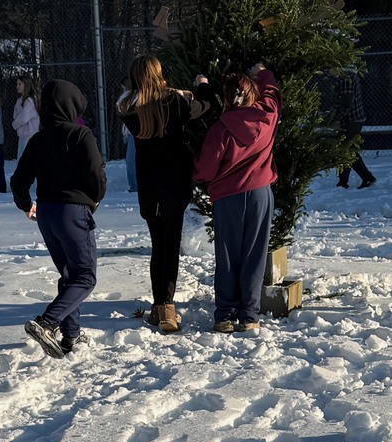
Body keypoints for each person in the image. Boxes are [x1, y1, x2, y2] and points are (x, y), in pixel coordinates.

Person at [119, 54, 214, 332]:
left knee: (158, 244)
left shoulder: (128, 108)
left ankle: (159, 304)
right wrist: (202, 85)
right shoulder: (175, 102)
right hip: (174, 183)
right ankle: (168, 309)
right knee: (170, 245)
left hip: (149, 186)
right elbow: (206, 106)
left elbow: (130, 96)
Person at [10, 80, 105, 359]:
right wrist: (94, 199)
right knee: (85, 277)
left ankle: (71, 334)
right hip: (72, 212)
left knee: (69, 275)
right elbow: (96, 174)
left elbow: (18, 180)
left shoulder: (38, 140)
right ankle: (47, 323)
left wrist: (26, 204)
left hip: (47, 213)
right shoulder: (81, 135)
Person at [193, 63, 281, 333]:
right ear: (253, 94)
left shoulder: (220, 129)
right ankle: (250, 315)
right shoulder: (267, 115)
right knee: (254, 254)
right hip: (259, 194)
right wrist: (262, 73)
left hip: (228, 197)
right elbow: (272, 93)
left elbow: (204, 170)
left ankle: (224, 315)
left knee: (228, 255)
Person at [333, 69, 376, 189]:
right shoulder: (348, 75)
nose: (327, 73)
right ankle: (365, 178)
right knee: (348, 149)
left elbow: (347, 102)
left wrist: (336, 117)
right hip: (353, 118)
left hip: (351, 118)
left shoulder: (346, 77)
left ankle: (345, 181)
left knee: (345, 149)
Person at [11, 75, 40, 160]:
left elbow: (23, 118)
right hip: (22, 137)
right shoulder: (19, 101)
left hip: (30, 137)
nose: (17, 86)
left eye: (20, 84)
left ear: (26, 85)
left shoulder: (30, 101)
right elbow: (15, 116)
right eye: (17, 84)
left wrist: (14, 124)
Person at [117, 77, 137, 192]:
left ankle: (135, 186)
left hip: (133, 133)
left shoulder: (128, 97)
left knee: (131, 160)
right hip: (132, 133)